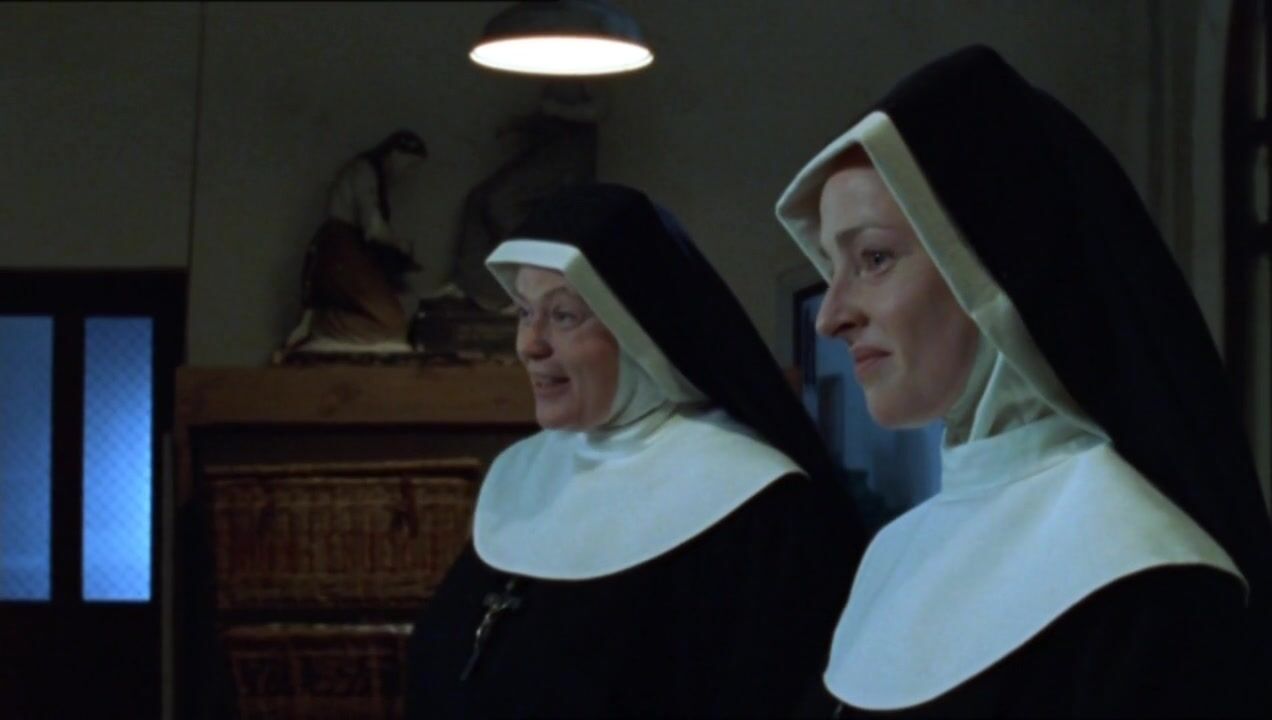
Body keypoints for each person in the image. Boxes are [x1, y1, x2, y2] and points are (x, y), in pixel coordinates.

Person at [774, 45, 1272, 717]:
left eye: (875, 258)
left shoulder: (1146, 584)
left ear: (992, 266)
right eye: (831, 267)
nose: (831, 316)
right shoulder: (890, 555)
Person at [405, 182, 863, 718]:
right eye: (525, 313)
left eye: (563, 315)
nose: (530, 345)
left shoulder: (756, 507)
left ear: (639, 331)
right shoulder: (520, 473)